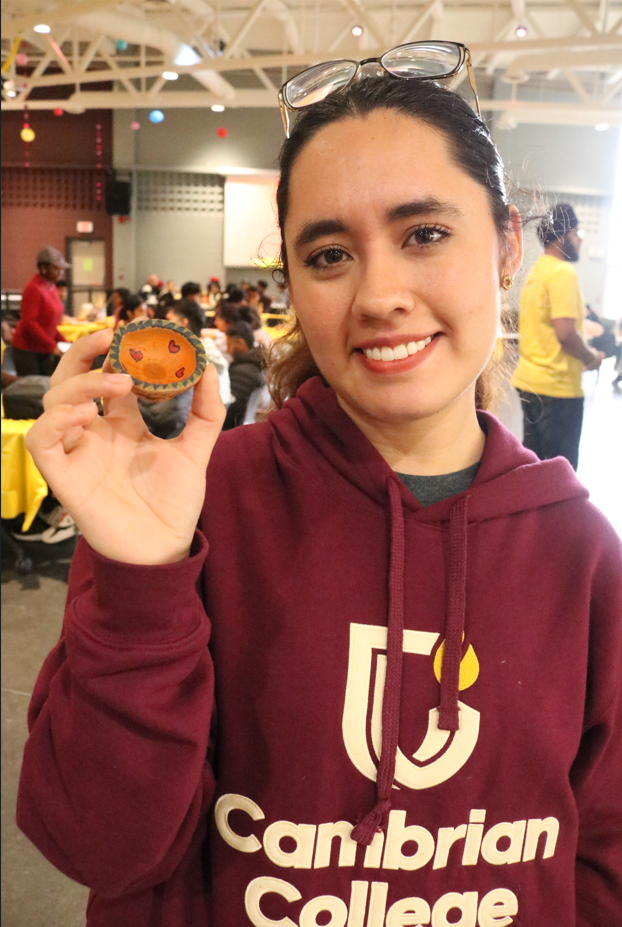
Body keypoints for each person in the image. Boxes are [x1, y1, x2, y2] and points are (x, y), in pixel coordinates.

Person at [17, 49, 622, 927]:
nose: (379, 295)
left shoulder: (583, 558)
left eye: (424, 234)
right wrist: (140, 581)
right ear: (295, 281)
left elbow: (602, 864)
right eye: (331, 253)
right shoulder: (192, 508)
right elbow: (99, 847)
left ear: (505, 246)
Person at [511, 204, 604, 471]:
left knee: (536, 466)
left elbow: (548, 326)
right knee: (559, 474)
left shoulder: (539, 270)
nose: (581, 239)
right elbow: (564, 333)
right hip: (556, 388)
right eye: (578, 232)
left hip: (530, 382)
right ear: (563, 236)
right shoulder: (562, 272)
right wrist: (591, 359)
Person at [11, 246, 70, 377]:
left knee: (47, 388)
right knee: (33, 392)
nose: (61, 273)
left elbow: (50, 324)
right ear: (43, 268)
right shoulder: (33, 288)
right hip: (27, 350)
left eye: (62, 269)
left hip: (43, 348)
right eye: (56, 268)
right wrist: (52, 345)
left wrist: (63, 342)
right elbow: (29, 323)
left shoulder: (51, 286)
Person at [222, 320, 267, 430]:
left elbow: (232, 413)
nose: (227, 351)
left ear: (241, 343)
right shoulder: (257, 364)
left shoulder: (243, 372)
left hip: (234, 431)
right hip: (247, 425)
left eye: (229, 345)